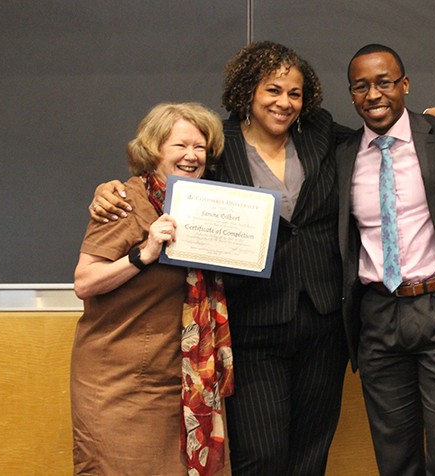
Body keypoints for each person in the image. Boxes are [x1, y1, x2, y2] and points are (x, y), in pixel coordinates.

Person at [88, 41, 352, 475]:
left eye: (295, 93)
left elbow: (381, 138)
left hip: (323, 320)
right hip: (252, 319)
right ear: (248, 90)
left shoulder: (320, 131)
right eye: (273, 90)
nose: (284, 102)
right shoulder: (217, 145)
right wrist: (107, 189)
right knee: (260, 455)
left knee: (311, 451)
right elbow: (161, 174)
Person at [336, 44, 435, 476]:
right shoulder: (342, 154)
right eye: (361, 86)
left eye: (384, 83)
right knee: (395, 459)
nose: (374, 94)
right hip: (377, 314)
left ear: (404, 85)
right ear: (351, 95)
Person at [71, 102, 232, 475]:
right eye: (180, 146)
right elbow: (84, 282)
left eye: (200, 148)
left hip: (181, 379)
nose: (192, 156)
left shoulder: (205, 206)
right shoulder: (123, 203)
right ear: (153, 150)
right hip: (118, 384)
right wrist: (143, 254)